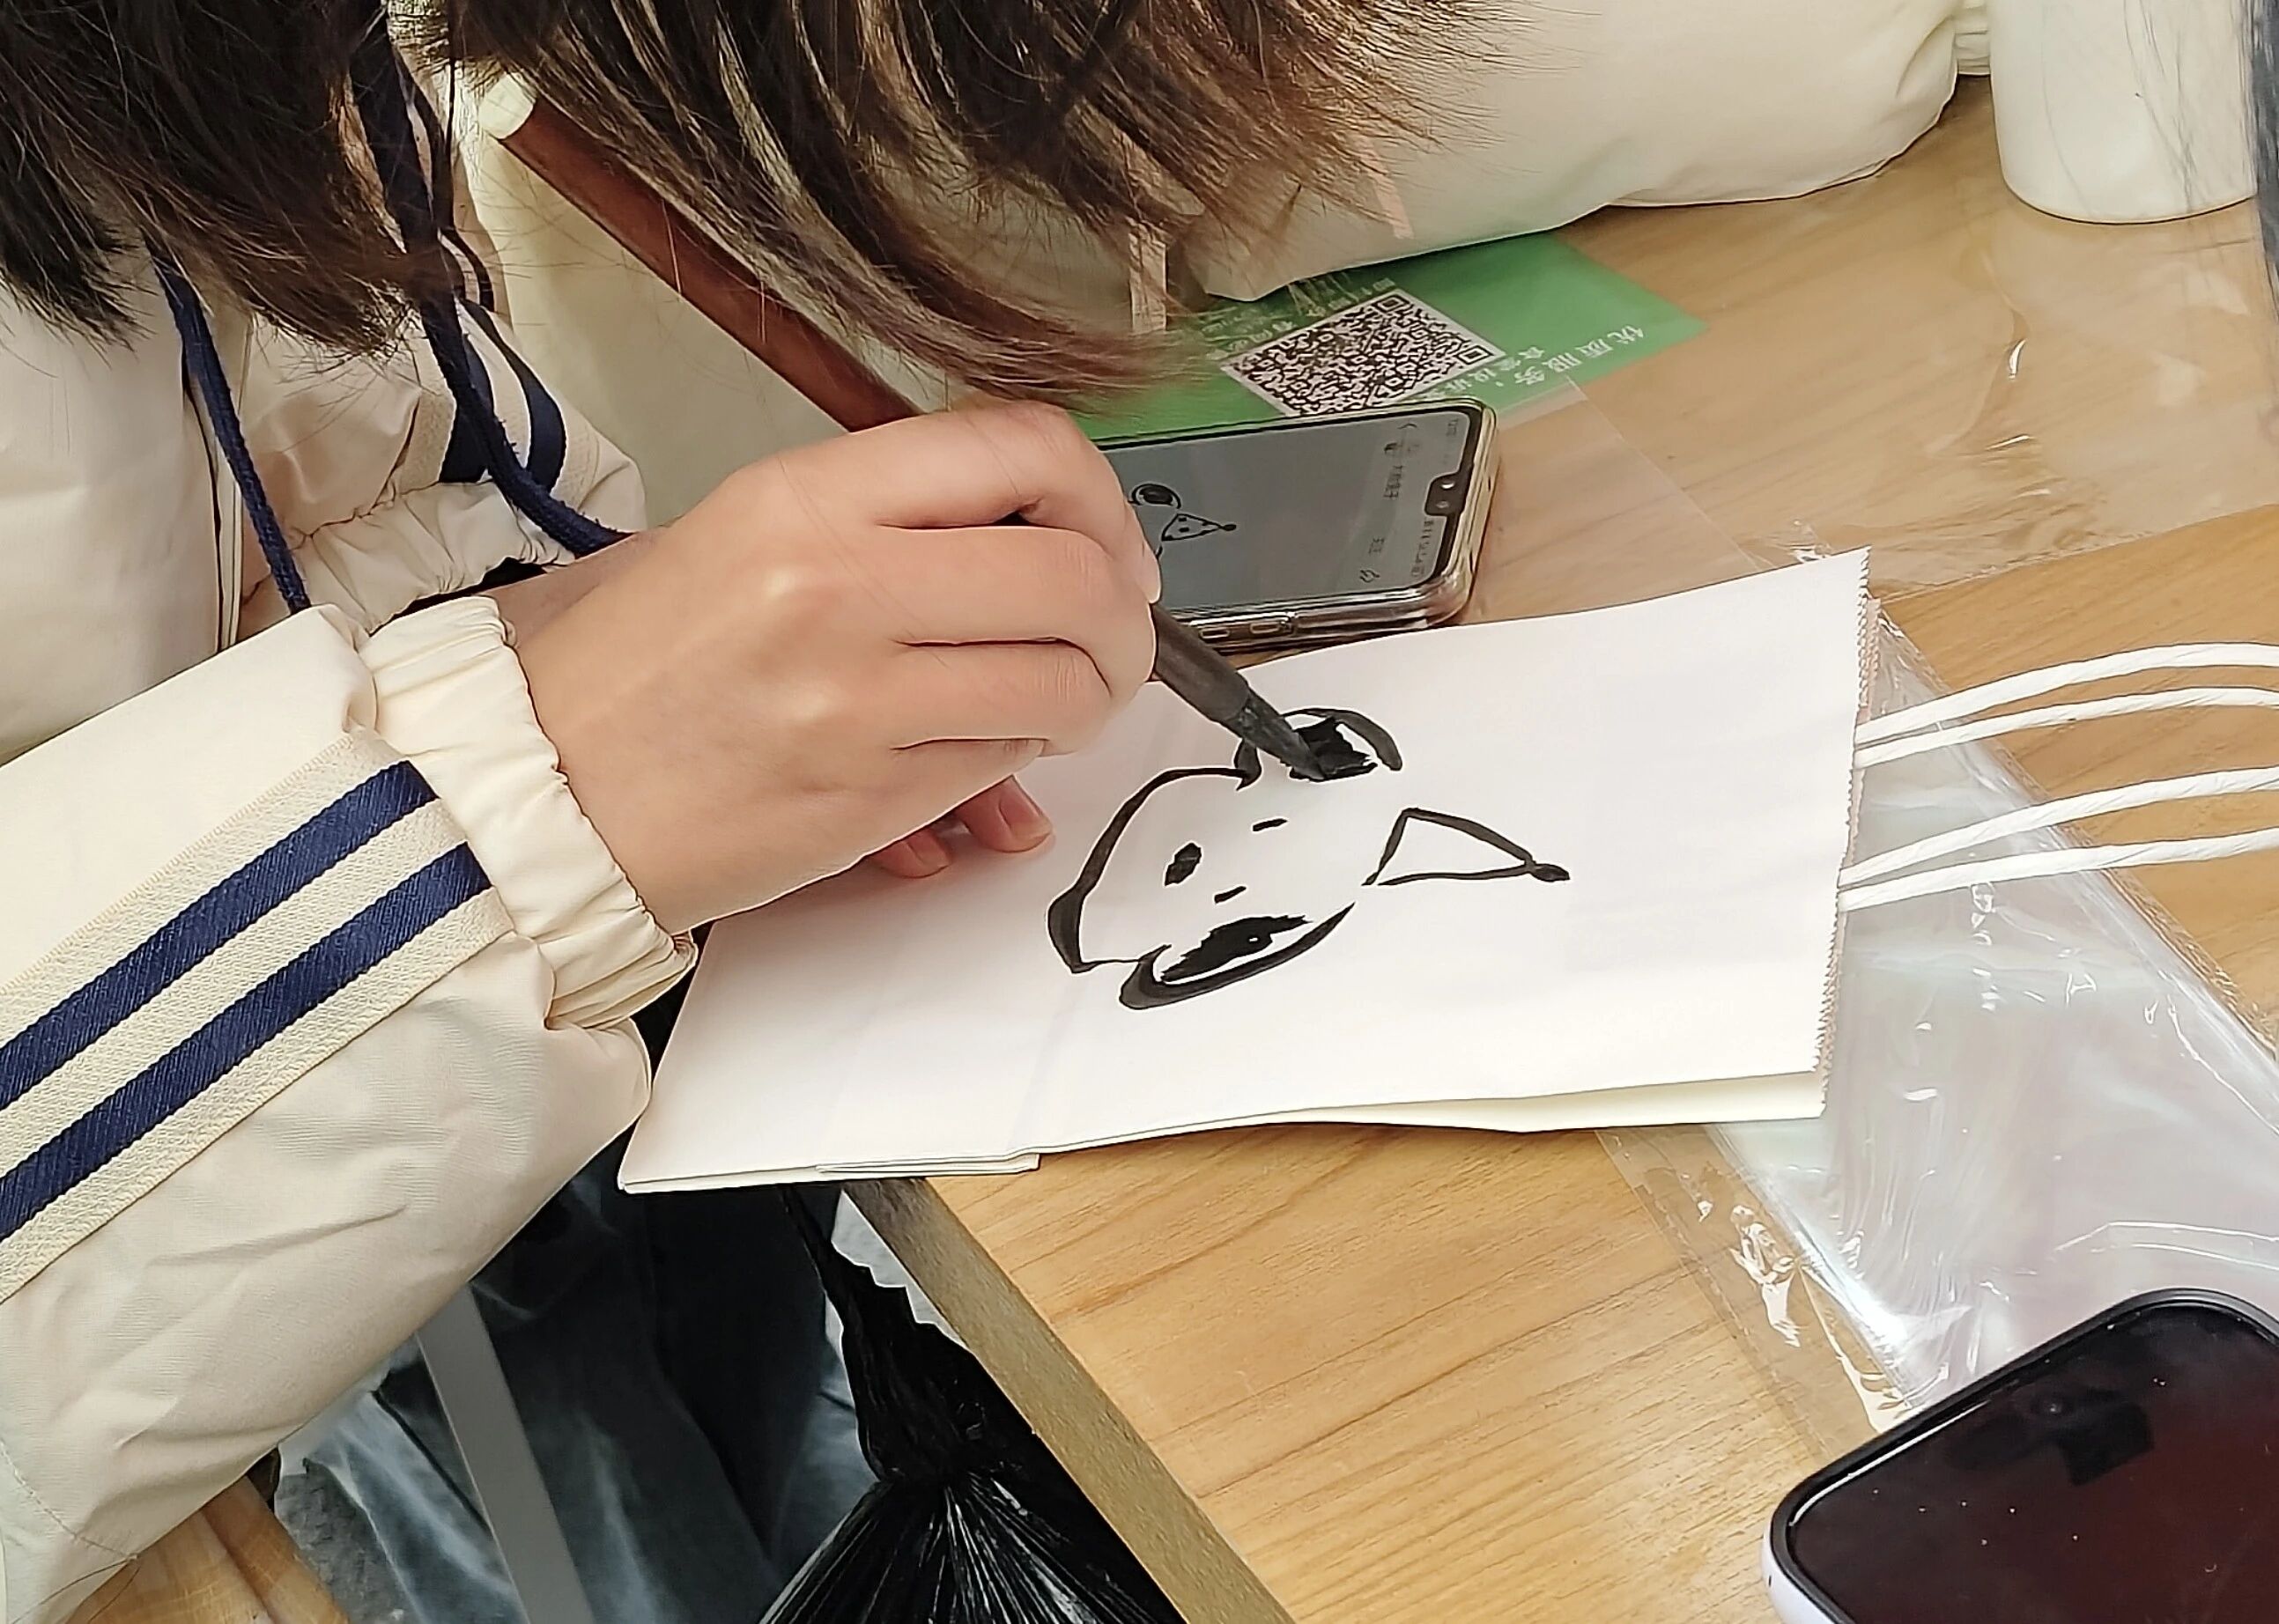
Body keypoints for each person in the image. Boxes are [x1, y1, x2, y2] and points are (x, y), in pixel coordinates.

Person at [0, 0, 1462, 1618]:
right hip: (211, 1218)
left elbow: (339, 463)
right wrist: (520, 790)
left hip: (519, 1004)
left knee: (747, 1372)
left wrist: (586, 641)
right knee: (579, 1468)